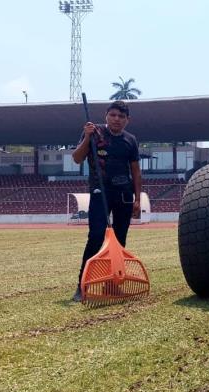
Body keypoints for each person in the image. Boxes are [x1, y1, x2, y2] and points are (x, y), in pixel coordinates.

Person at [70, 100, 142, 302]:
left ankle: (112, 285)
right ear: (106, 116)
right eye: (113, 115)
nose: (116, 119)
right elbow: (77, 158)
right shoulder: (94, 133)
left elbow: (135, 171)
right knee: (95, 236)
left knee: (119, 241)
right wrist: (86, 137)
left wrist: (137, 198)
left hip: (124, 195)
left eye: (121, 116)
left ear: (127, 120)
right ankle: (82, 285)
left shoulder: (131, 140)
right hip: (100, 192)